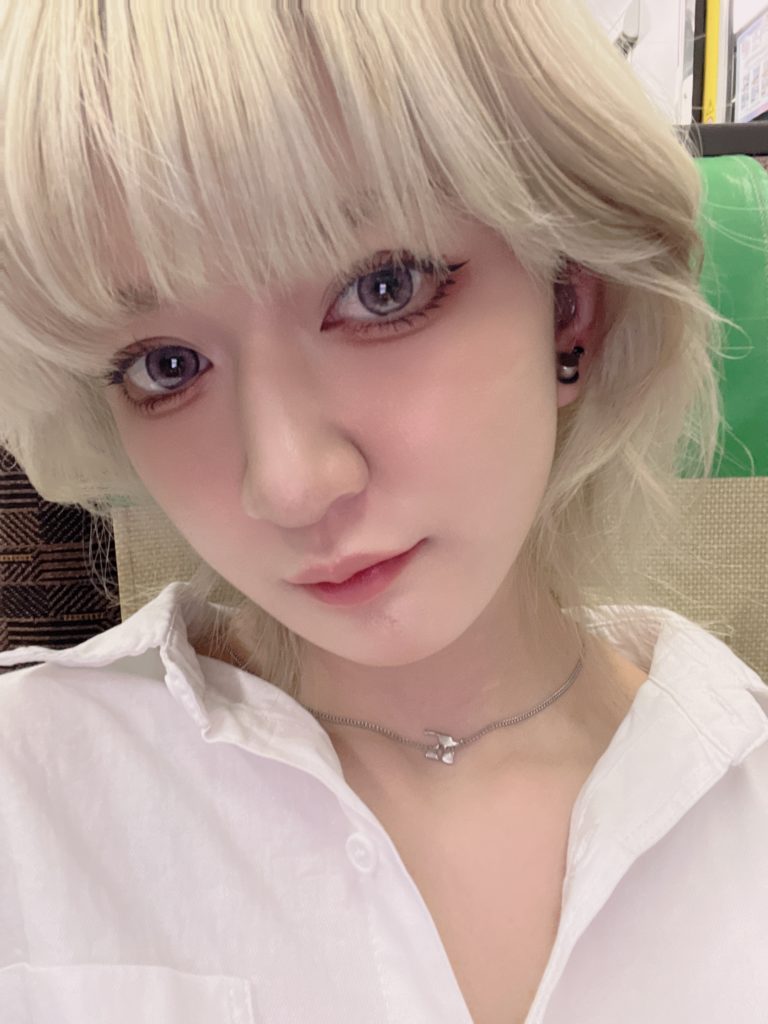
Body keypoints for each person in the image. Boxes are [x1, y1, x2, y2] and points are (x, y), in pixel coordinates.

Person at [1, 2, 766, 1022]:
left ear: (568, 303)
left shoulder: (738, 799)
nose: (289, 484)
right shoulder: (30, 800)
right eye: (166, 365)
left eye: (382, 289)